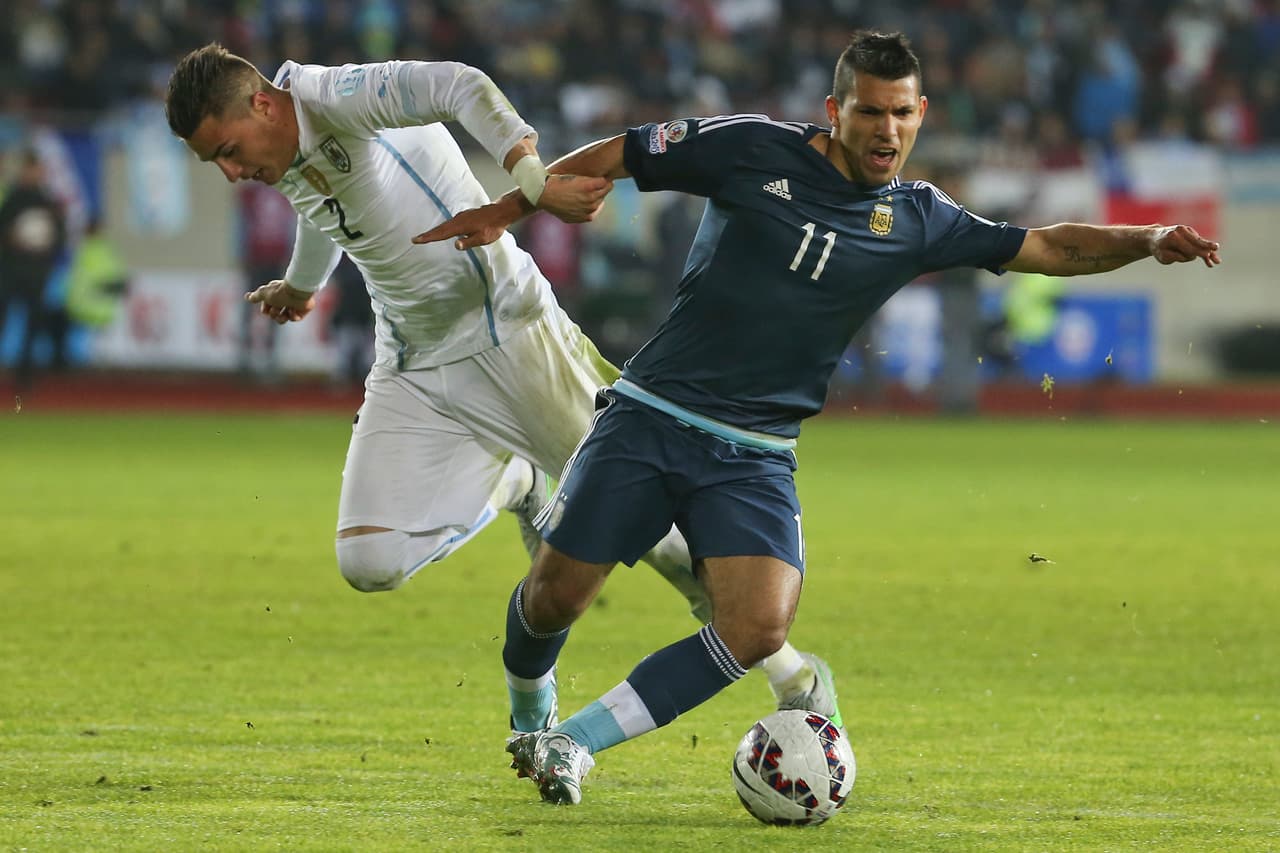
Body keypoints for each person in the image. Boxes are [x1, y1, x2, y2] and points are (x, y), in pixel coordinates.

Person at [417, 29, 1222, 806]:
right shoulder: (750, 148)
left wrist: (1148, 238)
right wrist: (511, 206)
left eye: (903, 113)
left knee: (757, 625)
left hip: (756, 451)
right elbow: (625, 151)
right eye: (870, 112)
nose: (888, 130)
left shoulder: (919, 217)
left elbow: (1047, 247)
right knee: (555, 599)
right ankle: (532, 711)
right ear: (835, 111)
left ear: (922, 114)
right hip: (652, 415)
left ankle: (577, 742)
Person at [163, 44, 837, 735]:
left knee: (662, 538)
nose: (231, 172)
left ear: (264, 105)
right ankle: (519, 479)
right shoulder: (286, 155)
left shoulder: (337, 98)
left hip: (511, 337)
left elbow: (460, 84)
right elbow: (320, 206)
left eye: (227, 149)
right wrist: (303, 286)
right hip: (413, 361)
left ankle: (795, 677)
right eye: (214, 161)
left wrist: (532, 180)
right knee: (369, 560)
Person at [0, 148, 68, 392]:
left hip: (38, 271)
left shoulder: (49, 202)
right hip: (11, 268)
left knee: (33, 323)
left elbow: (60, 237)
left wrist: (45, 245)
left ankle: (24, 377)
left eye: (36, 169)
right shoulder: (13, 198)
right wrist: (12, 237)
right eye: (29, 169)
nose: (33, 174)